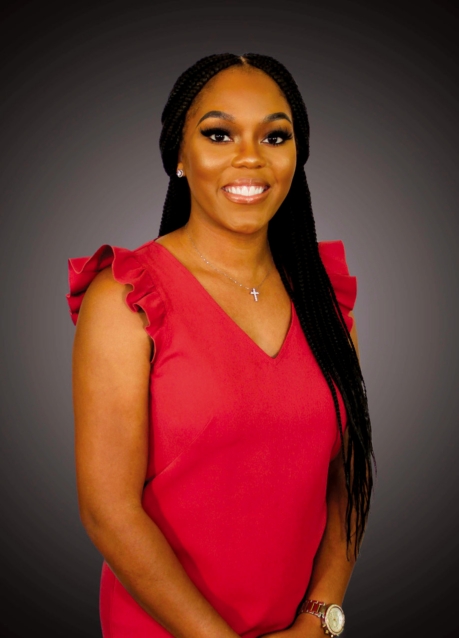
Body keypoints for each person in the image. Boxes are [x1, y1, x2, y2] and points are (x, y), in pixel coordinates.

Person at [67, 52, 374, 638]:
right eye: (218, 133)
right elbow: (108, 512)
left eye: (275, 136)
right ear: (179, 156)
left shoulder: (323, 301)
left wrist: (320, 617)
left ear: (297, 155)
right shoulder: (128, 297)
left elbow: (349, 471)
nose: (250, 156)